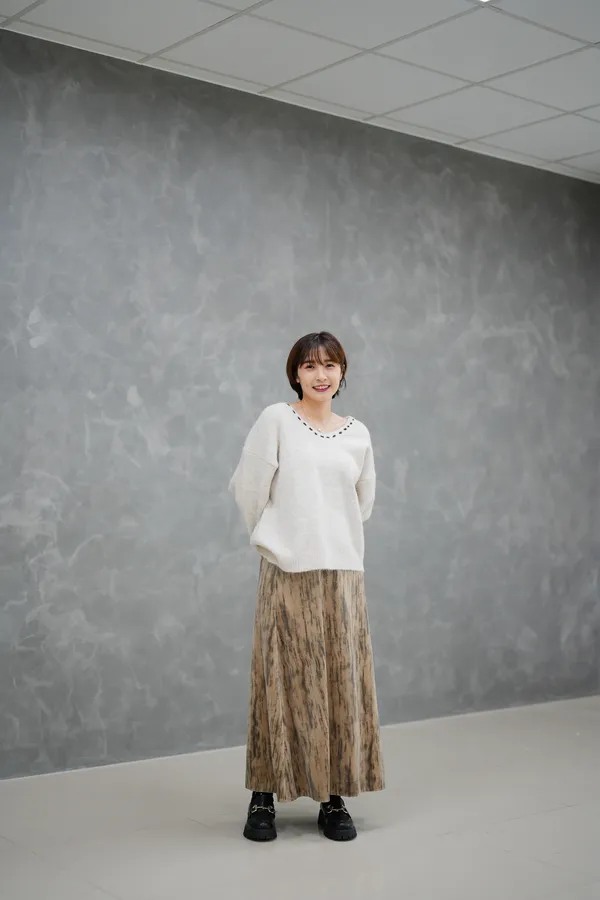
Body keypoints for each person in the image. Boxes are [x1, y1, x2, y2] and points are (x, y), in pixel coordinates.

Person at [229, 331, 384, 843]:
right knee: (278, 679)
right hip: (287, 570)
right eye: (310, 365)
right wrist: (279, 538)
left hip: (341, 573)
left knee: (338, 681)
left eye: (330, 365)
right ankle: (263, 796)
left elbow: (362, 503)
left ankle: (332, 796)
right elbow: (249, 489)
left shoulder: (358, 433)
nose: (321, 375)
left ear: (342, 373)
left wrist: (328, 536)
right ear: (295, 373)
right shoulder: (276, 419)